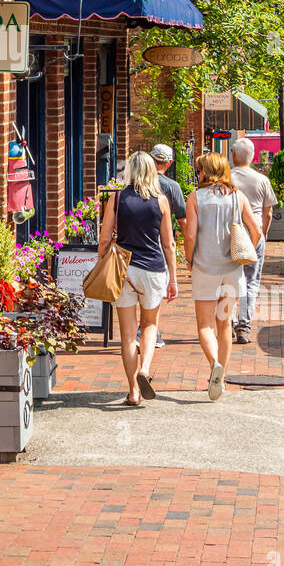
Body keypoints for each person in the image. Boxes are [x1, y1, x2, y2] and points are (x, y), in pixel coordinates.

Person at [98, 150, 178, 407]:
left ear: (130, 171)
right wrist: (173, 278)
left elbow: (104, 238)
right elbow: (169, 245)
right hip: (153, 271)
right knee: (151, 325)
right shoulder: (161, 200)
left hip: (124, 270)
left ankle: (133, 391)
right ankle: (144, 368)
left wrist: (102, 261)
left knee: (128, 335)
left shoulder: (117, 198)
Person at [183, 152, 262, 401]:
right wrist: (245, 248)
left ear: (205, 171)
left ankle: (214, 363)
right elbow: (256, 230)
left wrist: (188, 258)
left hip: (205, 270)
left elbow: (191, 235)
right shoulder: (237, 196)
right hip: (232, 271)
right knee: (225, 324)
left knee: (204, 325)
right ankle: (222, 378)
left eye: (200, 170)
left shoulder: (195, 197)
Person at [230, 137, 278, 344]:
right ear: (253, 157)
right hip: (254, 233)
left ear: (233, 155)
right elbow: (268, 211)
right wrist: (264, 233)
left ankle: (229, 320)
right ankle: (244, 325)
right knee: (251, 280)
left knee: (231, 279)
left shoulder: (227, 179)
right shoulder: (261, 180)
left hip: (231, 234)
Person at [150, 143, 186, 349]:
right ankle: (148, 329)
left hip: (132, 242)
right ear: (169, 163)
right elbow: (182, 219)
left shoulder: (133, 183)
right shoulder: (172, 187)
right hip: (160, 244)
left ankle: (146, 329)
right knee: (155, 287)